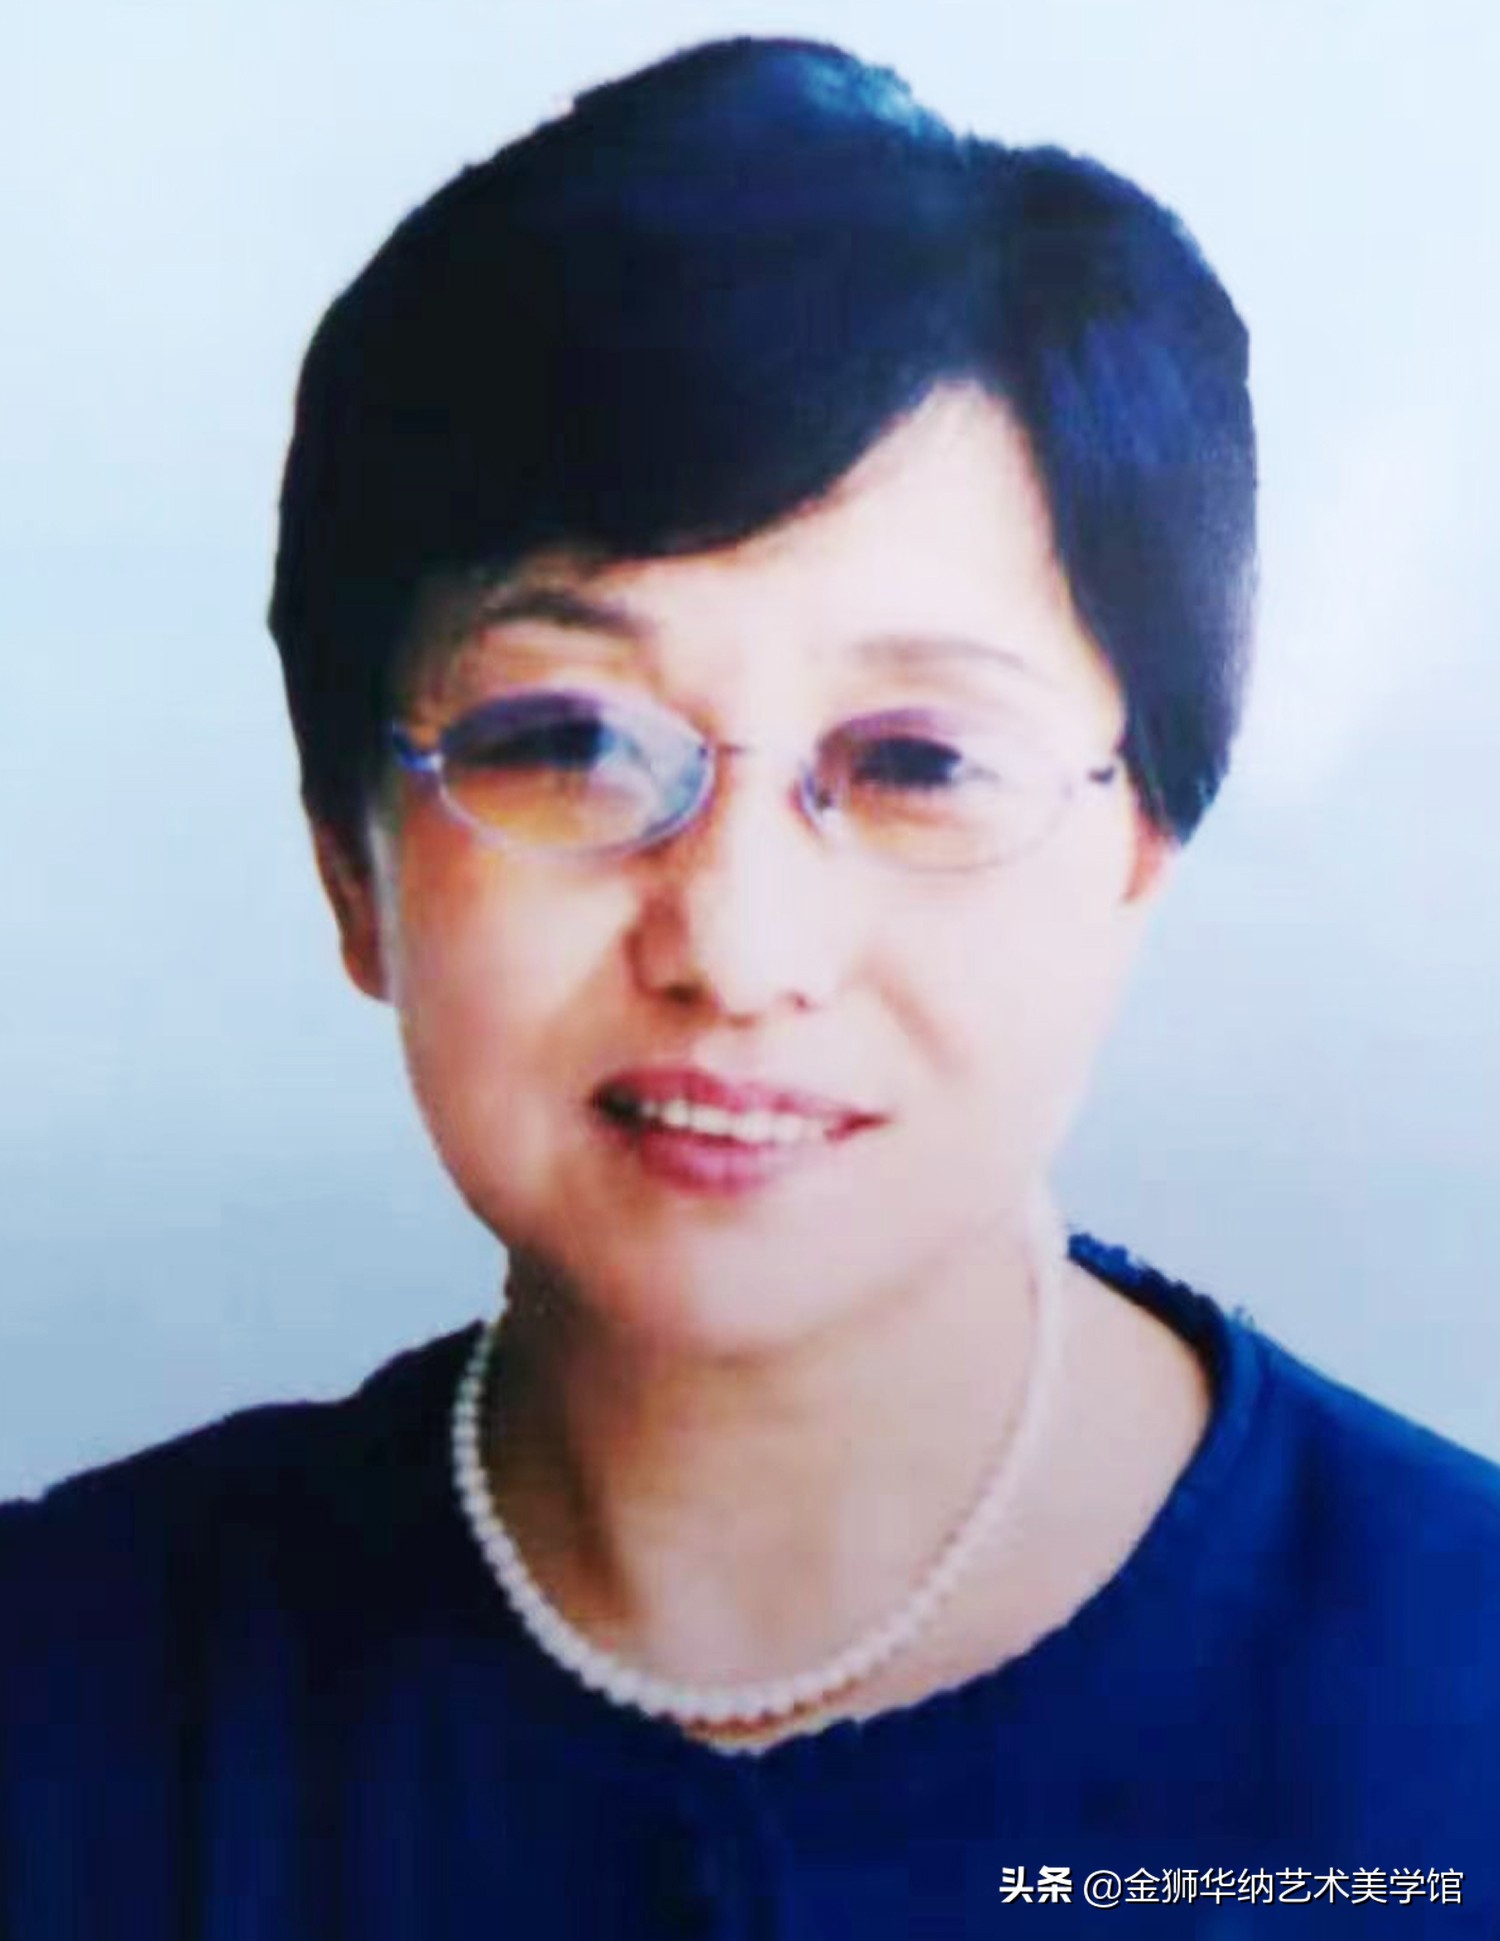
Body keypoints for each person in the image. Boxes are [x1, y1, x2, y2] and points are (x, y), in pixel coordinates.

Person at [3, 35, 1498, 1937]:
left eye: (917, 761)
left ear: (1141, 848)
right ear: (349, 860)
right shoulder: (65, 1699)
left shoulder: (1456, 1717)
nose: (736, 942)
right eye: (568, 739)